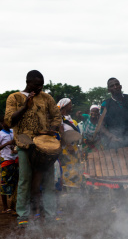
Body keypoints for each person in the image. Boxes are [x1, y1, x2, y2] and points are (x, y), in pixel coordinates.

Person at [4, 70, 61, 227]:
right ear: (28, 82)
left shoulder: (47, 98)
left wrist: (53, 128)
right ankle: (22, 214)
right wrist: (24, 106)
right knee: (25, 180)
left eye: (42, 85)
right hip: (24, 143)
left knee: (48, 181)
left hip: (45, 145)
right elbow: (9, 121)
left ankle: (50, 214)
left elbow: (57, 116)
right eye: (36, 85)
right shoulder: (14, 97)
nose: (39, 88)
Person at [100, 78, 128, 149]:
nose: (115, 87)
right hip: (114, 139)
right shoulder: (105, 104)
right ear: (109, 90)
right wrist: (110, 136)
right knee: (113, 146)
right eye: (112, 86)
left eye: (117, 84)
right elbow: (101, 125)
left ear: (120, 86)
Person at [56, 98, 83, 188]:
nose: (71, 106)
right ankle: (68, 190)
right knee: (68, 170)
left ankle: (75, 190)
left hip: (74, 147)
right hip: (66, 149)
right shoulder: (59, 118)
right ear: (65, 106)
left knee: (76, 169)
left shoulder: (69, 118)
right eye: (70, 104)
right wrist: (68, 146)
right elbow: (61, 132)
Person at [0, 115, 18, 214]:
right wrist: (7, 144)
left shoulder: (13, 131)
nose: (8, 123)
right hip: (6, 161)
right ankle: (5, 207)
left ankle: (13, 205)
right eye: (6, 121)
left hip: (16, 160)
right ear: (2, 123)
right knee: (4, 184)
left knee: (15, 184)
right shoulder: (1, 134)